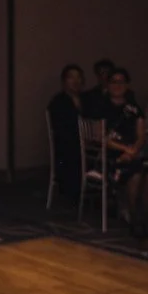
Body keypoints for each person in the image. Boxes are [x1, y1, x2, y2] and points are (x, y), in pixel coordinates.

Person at [101, 68, 148, 236]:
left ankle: (144, 218)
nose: (118, 85)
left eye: (122, 82)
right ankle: (133, 218)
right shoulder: (101, 106)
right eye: (114, 82)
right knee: (136, 174)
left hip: (133, 153)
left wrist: (133, 150)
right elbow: (101, 138)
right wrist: (126, 150)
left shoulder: (134, 107)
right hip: (110, 155)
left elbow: (141, 135)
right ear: (108, 85)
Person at [47, 64, 85, 203]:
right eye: (71, 77)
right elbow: (62, 130)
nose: (75, 81)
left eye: (78, 77)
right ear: (64, 81)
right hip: (69, 148)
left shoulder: (86, 100)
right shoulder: (58, 102)